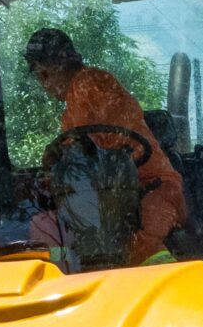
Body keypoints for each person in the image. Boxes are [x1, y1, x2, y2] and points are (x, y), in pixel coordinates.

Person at [22, 26, 187, 264]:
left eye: (45, 76)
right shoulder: (72, 109)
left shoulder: (90, 83)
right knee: (52, 232)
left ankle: (174, 289)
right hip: (111, 197)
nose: (45, 86)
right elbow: (76, 164)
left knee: (136, 245)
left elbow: (78, 155)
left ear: (61, 64)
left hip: (154, 189)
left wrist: (53, 163)